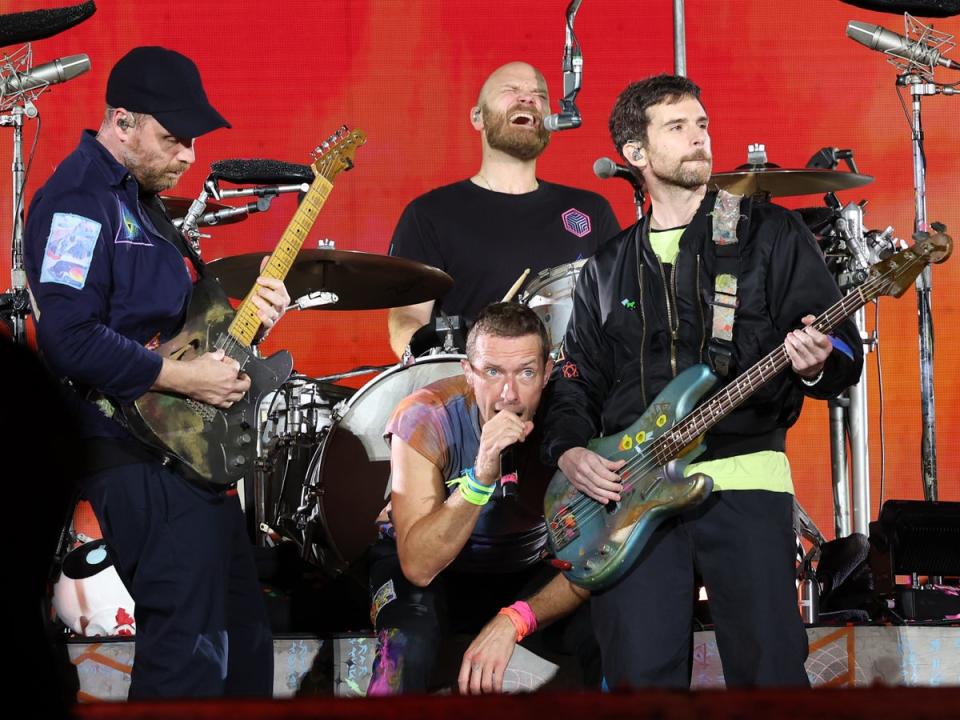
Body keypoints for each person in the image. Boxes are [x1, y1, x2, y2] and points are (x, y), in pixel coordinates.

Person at [541, 74, 863, 689]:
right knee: (638, 678)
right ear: (636, 154)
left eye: (702, 124)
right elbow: (576, 381)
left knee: (769, 674)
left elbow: (840, 345)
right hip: (629, 500)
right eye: (677, 127)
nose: (698, 139)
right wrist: (571, 449)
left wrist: (818, 361)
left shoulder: (770, 232)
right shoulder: (607, 268)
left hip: (745, 481)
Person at [24, 47, 289, 699]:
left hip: (187, 460)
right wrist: (186, 381)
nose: (189, 155)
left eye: (192, 140)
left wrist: (249, 323)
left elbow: (179, 336)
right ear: (121, 121)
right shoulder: (78, 202)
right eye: (172, 138)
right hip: (135, 460)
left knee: (241, 653)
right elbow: (67, 337)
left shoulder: (145, 207)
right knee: (188, 665)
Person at [368, 303, 598, 695]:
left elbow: (599, 556)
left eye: (526, 373)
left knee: (613, 618)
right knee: (406, 645)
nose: (509, 394)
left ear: (546, 375)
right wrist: (480, 478)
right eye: (493, 372)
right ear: (468, 374)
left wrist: (516, 619)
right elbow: (419, 566)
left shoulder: (571, 421)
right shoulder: (425, 416)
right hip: (433, 574)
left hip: (523, 565)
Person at [387, 61, 620, 358]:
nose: (528, 98)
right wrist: (446, 375)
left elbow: (622, 310)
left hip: (576, 391)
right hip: (473, 393)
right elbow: (407, 320)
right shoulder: (429, 214)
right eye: (511, 90)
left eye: (540, 95)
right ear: (477, 117)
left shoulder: (591, 211)